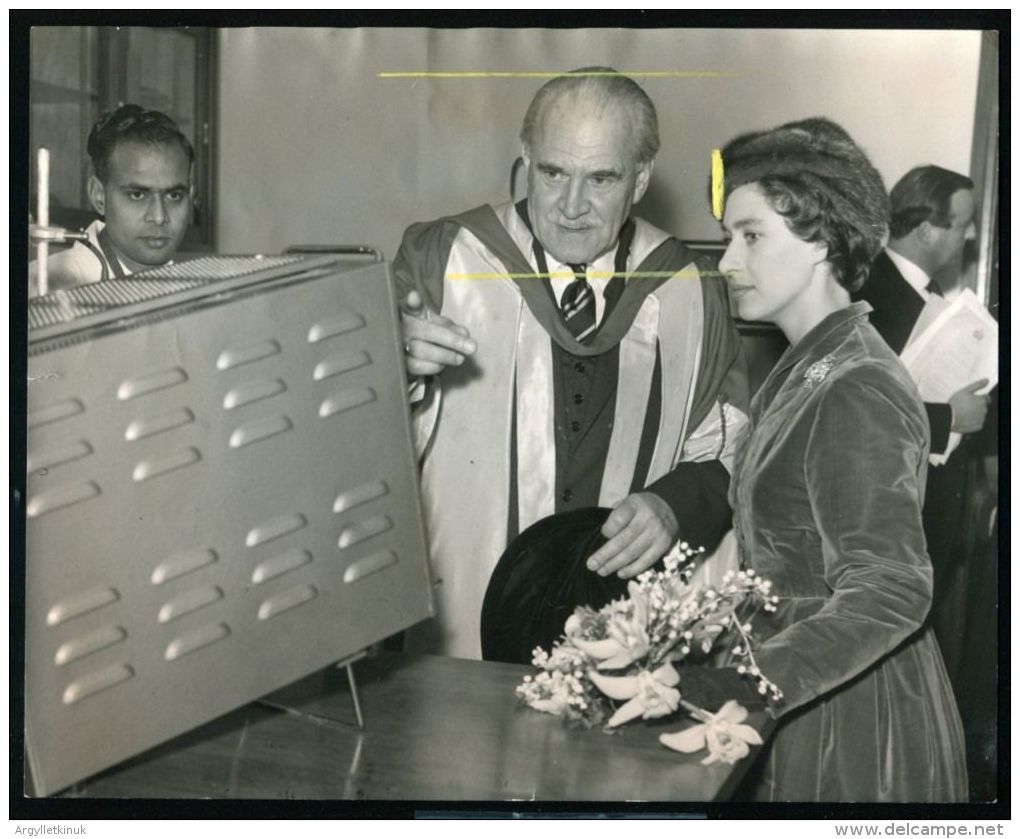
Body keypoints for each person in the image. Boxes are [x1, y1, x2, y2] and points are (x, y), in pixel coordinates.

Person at [394, 68, 748, 660]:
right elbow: (350, 443)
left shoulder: (689, 285)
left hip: (622, 625)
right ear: (525, 161)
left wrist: (674, 505)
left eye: (602, 178)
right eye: (553, 172)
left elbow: (730, 443)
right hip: (458, 615)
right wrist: (391, 367)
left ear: (640, 180)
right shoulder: (442, 260)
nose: (571, 206)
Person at [678, 118, 967, 801]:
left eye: (750, 236)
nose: (726, 262)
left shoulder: (855, 382)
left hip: (846, 718)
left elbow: (891, 588)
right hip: (807, 687)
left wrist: (748, 679)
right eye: (728, 238)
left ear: (821, 240)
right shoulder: (811, 363)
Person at [854, 166, 992, 681]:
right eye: (964, 224)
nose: (971, 236)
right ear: (928, 228)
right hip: (886, 519)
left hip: (924, 516)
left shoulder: (928, 295)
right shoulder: (869, 293)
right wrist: (948, 417)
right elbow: (855, 406)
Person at [29, 104, 194, 297]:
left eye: (174, 196)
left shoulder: (198, 290)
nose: (159, 217)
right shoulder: (40, 288)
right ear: (99, 196)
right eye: (137, 195)